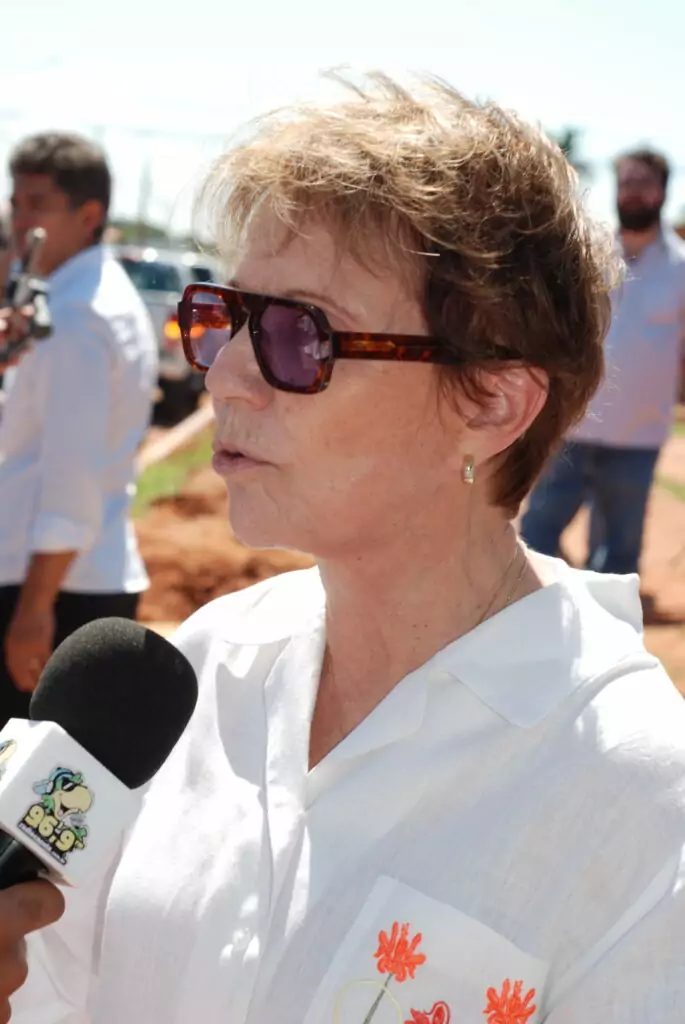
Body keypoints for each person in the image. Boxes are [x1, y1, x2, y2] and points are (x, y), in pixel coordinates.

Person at [4, 74, 685, 1023]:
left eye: (299, 335)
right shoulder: (195, 675)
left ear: (491, 402)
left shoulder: (639, 798)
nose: (225, 376)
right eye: (223, 317)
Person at [0, 133, 158, 728]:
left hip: (52, 590)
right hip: (70, 579)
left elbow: (71, 483)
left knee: (30, 780)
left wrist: (33, 611)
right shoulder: (81, 299)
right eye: (16, 203)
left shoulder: (76, 316)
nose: (21, 221)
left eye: (37, 204)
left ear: (88, 216)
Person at [521, 149, 685, 604]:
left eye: (644, 183)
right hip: (574, 425)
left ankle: (605, 629)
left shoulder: (681, 269)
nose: (633, 192)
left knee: (618, 556)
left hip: (638, 436)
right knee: (536, 535)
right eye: (627, 182)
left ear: (662, 191)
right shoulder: (586, 253)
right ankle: (552, 608)